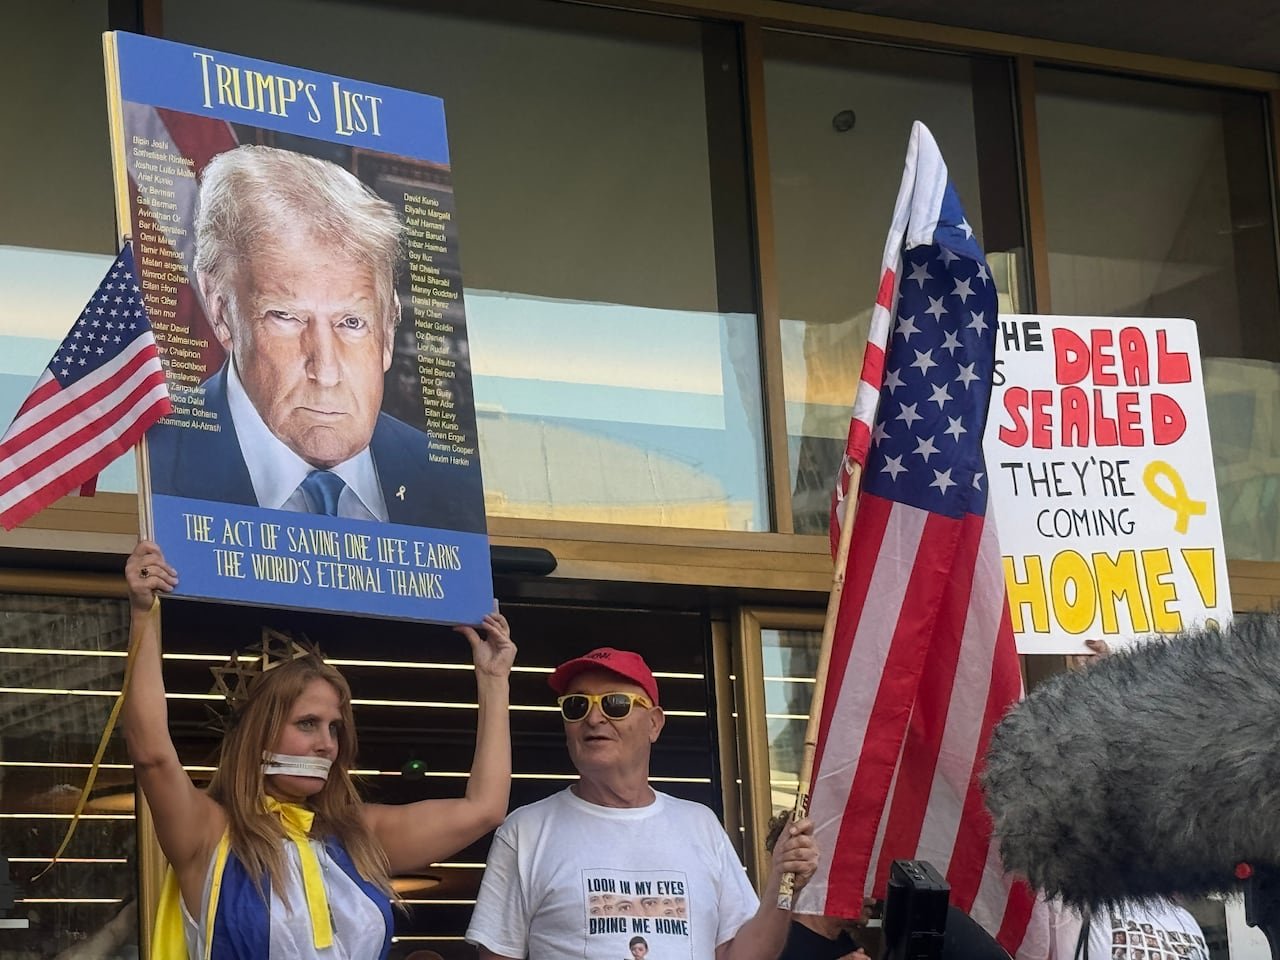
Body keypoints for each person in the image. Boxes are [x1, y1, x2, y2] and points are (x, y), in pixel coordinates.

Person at [123, 540, 514, 959]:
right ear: (258, 732)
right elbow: (152, 754)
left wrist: (494, 681)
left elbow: (484, 809)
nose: (327, 743)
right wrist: (144, 613)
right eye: (307, 723)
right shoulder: (208, 832)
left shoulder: (360, 835)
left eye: (334, 728)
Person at [146, 143, 484, 532]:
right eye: (287, 317)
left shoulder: (457, 488)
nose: (325, 370)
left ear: (389, 329)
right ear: (221, 312)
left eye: (352, 323)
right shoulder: (150, 463)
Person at [465, 646, 819, 960]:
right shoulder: (525, 830)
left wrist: (780, 885)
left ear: (654, 723)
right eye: (576, 705)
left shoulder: (700, 824)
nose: (594, 717)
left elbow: (740, 955)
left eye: (615, 704)